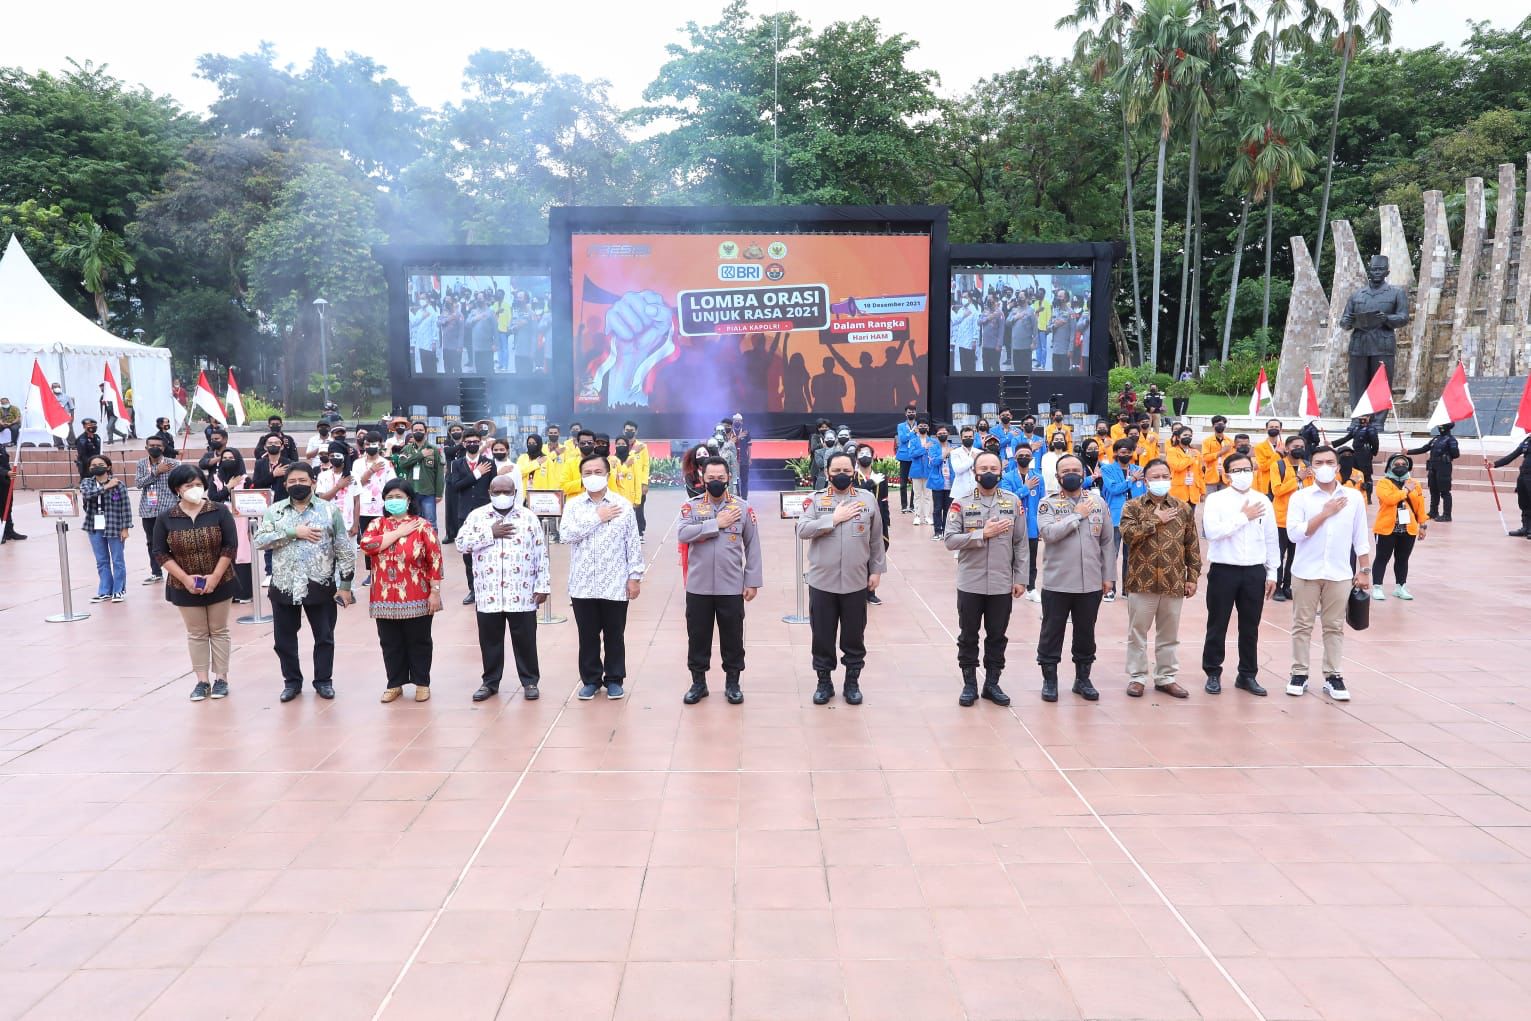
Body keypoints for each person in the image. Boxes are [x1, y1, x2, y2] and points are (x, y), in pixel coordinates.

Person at [254, 462, 357, 702]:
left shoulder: (329, 511)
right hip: (284, 585)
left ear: (313, 482)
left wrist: (345, 586)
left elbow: (343, 548)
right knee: (284, 640)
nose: (297, 485)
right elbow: (260, 541)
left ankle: (323, 681)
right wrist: (292, 533)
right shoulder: (275, 511)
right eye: (292, 481)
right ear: (285, 484)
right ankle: (292, 682)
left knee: (324, 636)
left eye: (302, 480)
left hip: (319, 584)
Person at [797, 451, 885, 706]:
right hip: (822, 582)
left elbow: (876, 539)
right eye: (836, 471)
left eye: (847, 470)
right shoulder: (814, 501)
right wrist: (832, 519)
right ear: (827, 473)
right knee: (822, 635)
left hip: (856, 581)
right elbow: (802, 529)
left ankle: (852, 681)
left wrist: (876, 570)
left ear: (854, 471)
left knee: (854, 635)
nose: (842, 475)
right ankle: (824, 682)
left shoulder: (867, 500)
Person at [1285, 446, 1372, 702]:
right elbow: (1294, 533)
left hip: (1339, 573)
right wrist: (1325, 513)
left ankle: (1333, 675)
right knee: (1302, 625)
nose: (1325, 466)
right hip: (1306, 571)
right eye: (1319, 462)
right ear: (1310, 467)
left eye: (1330, 462)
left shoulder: (1354, 497)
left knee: (1334, 627)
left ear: (1337, 466)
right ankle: (1298, 673)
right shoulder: (1300, 498)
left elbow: (1360, 537)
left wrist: (1364, 570)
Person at [944, 450, 1028, 707]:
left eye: (994, 468)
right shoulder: (961, 502)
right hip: (971, 582)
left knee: (997, 635)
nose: (989, 473)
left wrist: (1021, 578)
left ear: (1001, 472)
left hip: (1002, 583)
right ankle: (969, 684)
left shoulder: (1013, 502)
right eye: (984, 469)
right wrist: (982, 533)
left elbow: (1021, 543)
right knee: (968, 635)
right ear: (974, 472)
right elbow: (949, 540)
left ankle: (992, 683)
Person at [457, 474, 551, 702]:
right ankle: (490, 682)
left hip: (522, 592)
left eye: (506, 492)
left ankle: (529, 682)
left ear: (515, 493)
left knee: (525, 640)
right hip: (488, 593)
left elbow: (541, 553)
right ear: (489, 492)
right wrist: (490, 533)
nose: (501, 496)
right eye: (496, 491)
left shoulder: (528, 518)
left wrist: (543, 585)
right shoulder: (477, 516)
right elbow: (461, 543)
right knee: (490, 641)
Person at [678, 457, 762, 705]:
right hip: (698, 585)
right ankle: (698, 682)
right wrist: (716, 524)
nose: (716, 482)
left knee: (732, 636)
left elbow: (753, 546)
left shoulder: (742, 507)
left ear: (729, 478)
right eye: (711, 478)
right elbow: (683, 533)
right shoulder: (691, 507)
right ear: (703, 478)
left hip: (731, 585)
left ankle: (733, 682)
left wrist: (752, 581)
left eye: (721, 478)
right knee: (698, 635)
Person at [153, 465, 239, 701]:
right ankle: (202, 681)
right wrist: (185, 578)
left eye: (198, 484)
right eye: (188, 485)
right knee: (197, 632)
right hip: (184, 585)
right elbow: (160, 553)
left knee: (219, 630)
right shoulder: (166, 518)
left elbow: (230, 546)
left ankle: (222, 678)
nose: (194, 489)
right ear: (177, 489)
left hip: (221, 582)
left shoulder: (219, 511)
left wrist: (215, 576)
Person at [562, 454, 644, 700]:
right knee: (587, 635)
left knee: (614, 633)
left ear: (608, 474)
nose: (593, 477)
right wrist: (597, 517)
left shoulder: (623, 505)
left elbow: (633, 544)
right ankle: (590, 679)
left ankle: (615, 679)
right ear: (581, 477)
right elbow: (566, 534)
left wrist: (635, 577)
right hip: (583, 584)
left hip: (615, 582)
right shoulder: (574, 506)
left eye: (598, 472)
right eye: (587, 473)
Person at [1117, 459, 1200, 699]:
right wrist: (1156, 520)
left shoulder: (1183, 508)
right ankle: (1138, 677)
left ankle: (1166, 677)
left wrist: (1192, 576)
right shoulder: (1132, 507)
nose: (1160, 480)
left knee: (1169, 634)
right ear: (1145, 481)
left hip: (1173, 581)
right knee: (1137, 632)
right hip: (1141, 582)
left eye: (1164, 476)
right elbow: (1128, 536)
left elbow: (1191, 545)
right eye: (1155, 477)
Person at [1036, 454, 1116, 702]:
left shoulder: (1097, 502)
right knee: (1052, 632)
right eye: (1065, 470)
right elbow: (1048, 533)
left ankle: (1083, 679)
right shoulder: (1047, 503)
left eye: (1075, 469)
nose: (1071, 473)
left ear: (1084, 474)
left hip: (1090, 582)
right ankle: (1050, 680)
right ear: (1058, 476)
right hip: (1058, 582)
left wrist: (1109, 577)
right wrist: (1077, 515)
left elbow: (1107, 542)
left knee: (1085, 633)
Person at [1201, 452, 1279, 696]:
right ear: (1226, 474)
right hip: (1224, 569)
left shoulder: (1263, 501)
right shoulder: (1216, 500)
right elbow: (1212, 532)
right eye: (1237, 470)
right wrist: (1243, 517)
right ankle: (1213, 672)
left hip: (1254, 570)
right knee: (1218, 624)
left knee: (1250, 626)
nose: (1243, 474)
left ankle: (1247, 674)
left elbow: (1270, 538)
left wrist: (1273, 572)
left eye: (1247, 469)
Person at [360, 480, 443, 703]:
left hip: (417, 593)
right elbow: (368, 546)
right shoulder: (377, 524)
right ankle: (394, 683)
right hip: (384, 596)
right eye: (389, 497)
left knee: (419, 640)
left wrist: (435, 591)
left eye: (398, 496)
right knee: (390, 642)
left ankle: (422, 683)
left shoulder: (422, 525)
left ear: (409, 500)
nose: (394, 501)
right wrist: (398, 533)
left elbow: (434, 558)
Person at [1371, 454, 1428, 601]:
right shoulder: (1383, 483)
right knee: (1382, 557)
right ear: (1390, 466)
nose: (1400, 466)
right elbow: (1390, 499)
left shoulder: (1414, 483)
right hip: (1386, 528)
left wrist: (1423, 525)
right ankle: (1377, 586)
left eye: (1404, 463)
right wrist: (1406, 491)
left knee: (1403, 559)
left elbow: (1420, 505)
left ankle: (1401, 587)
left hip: (1408, 528)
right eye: (1397, 464)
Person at [449, 432, 497, 600]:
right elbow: (456, 486)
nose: (472, 444)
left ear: (480, 443)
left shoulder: (489, 463)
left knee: (488, 548)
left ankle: (490, 585)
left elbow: (493, 487)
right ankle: (473, 589)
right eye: (469, 442)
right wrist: (476, 474)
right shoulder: (456, 464)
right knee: (468, 552)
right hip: (465, 512)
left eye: (476, 442)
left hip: (485, 511)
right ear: (464, 444)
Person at [80, 453, 132, 602]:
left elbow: (125, 507)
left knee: (117, 559)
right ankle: (105, 590)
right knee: (101, 560)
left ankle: (119, 590)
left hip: (114, 525)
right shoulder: (87, 483)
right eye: (93, 466)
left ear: (108, 467)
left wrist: (125, 528)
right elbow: (87, 494)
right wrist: (106, 487)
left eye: (100, 465)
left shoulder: (119, 484)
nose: (97, 468)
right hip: (94, 525)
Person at [1099, 439, 1145, 597]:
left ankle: (1128, 588)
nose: (1126, 455)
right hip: (1116, 518)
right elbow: (1113, 489)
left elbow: (1144, 494)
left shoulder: (1139, 469)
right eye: (1123, 452)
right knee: (1111, 553)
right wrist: (1131, 480)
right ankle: (1109, 589)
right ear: (1116, 453)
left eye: (1129, 452)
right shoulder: (1108, 469)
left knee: (1131, 555)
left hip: (1135, 519)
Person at [1269, 436, 1311, 602]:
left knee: (1295, 555)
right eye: (1295, 446)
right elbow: (1277, 490)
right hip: (1281, 519)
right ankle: (1277, 586)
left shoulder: (1307, 466)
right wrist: (1298, 478)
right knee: (1279, 555)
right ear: (1287, 448)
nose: (1298, 448)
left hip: (1301, 520)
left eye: (1301, 446)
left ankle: (1288, 585)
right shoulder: (1277, 465)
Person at [353, 432, 396, 583]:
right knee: (368, 541)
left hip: (382, 508)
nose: (371, 447)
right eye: (367, 444)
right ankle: (371, 573)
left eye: (374, 444)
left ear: (380, 444)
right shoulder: (357, 463)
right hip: (364, 508)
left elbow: (392, 485)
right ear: (363, 445)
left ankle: (387, 569)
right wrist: (371, 470)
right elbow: (357, 484)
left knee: (385, 539)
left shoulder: (386, 463)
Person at [134, 437, 179, 584]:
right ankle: (156, 572)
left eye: (158, 446)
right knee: (152, 542)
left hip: (169, 508)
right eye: (151, 445)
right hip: (148, 509)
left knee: (174, 541)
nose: (155, 447)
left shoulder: (173, 464)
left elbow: (179, 485)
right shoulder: (141, 463)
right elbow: (139, 484)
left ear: (163, 448)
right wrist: (156, 472)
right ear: (146, 447)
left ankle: (178, 571)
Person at [854, 447, 890, 604]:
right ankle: (859, 590)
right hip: (858, 518)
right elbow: (854, 494)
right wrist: (869, 483)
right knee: (859, 553)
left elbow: (884, 500)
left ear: (873, 457)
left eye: (867, 454)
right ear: (856, 458)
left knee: (876, 551)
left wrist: (886, 520)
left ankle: (871, 591)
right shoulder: (853, 477)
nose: (865, 457)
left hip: (878, 519)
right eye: (861, 454)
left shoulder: (880, 477)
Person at [393, 422, 442, 528]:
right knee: (413, 522)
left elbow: (439, 473)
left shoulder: (433, 450)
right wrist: (420, 455)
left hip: (428, 492)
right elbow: (402, 464)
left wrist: (439, 493)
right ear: (412, 432)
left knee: (430, 522)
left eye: (421, 430)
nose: (418, 432)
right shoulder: (406, 449)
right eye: (416, 430)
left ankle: (433, 544)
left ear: (426, 432)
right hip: (412, 492)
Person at [1409, 424, 1459, 521]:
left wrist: (1446, 456)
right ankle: (1433, 512)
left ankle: (1447, 515)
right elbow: (1424, 448)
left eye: (1442, 426)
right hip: (1433, 467)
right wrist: (1408, 452)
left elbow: (1456, 454)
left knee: (1445, 492)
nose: (1440, 428)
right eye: (1439, 426)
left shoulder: (1451, 439)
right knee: (1433, 490)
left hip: (1444, 467)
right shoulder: (1436, 439)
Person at [1334, 414, 1381, 501]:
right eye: (1361, 416)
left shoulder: (1371, 429)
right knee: (1355, 473)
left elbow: (1375, 442)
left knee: (1366, 476)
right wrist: (1332, 443)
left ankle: (1368, 496)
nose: (1362, 419)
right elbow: (1346, 438)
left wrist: (1372, 453)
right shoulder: (1356, 428)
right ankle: (1355, 492)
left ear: (1369, 418)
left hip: (1365, 455)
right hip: (1355, 454)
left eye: (1365, 416)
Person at [1496, 434, 1531, 538]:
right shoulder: (1527, 440)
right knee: (1523, 502)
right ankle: (1526, 527)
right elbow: (1513, 455)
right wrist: (1494, 464)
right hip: (1524, 475)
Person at [927, 425, 953, 537]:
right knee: (937, 508)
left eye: (944, 433)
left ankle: (946, 530)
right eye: (940, 433)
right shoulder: (933, 448)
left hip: (950, 483)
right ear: (936, 435)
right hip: (937, 482)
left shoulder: (953, 447)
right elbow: (933, 462)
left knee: (948, 509)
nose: (942, 435)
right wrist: (944, 454)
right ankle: (937, 531)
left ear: (948, 434)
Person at [908, 418, 934, 525]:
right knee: (917, 495)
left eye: (924, 426)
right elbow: (912, 454)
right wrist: (924, 449)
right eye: (920, 426)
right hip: (916, 471)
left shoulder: (932, 441)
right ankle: (917, 516)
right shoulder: (913, 441)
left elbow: (933, 455)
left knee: (928, 495)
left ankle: (927, 516)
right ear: (917, 428)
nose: (922, 428)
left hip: (928, 471)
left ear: (927, 428)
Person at [895, 402, 920, 514]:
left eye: (913, 412)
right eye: (909, 412)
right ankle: (904, 506)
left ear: (916, 413)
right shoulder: (900, 426)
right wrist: (913, 433)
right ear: (906, 414)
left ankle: (913, 505)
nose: (911, 414)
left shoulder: (920, 425)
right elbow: (903, 439)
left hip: (915, 456)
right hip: (904, 456)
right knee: (903, 483)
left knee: (915, 482)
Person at [1201, 416, 1233, 494]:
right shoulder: (1207, 441)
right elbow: (1205, 457)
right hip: (1211, 477)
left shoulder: (1230, 441)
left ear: (1225, 426)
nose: (1220, 426)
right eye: (1217, 424)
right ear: (1213, 426)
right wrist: (1221, 452)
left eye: (1222, 424)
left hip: (1225, 477)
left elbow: (1232, 459)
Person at [0, 445, 23, 543]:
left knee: (7, 507)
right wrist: (5, 472)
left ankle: (9, 531)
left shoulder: (1, 446)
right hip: (3, 476)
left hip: (4, 482)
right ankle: (2, 533)